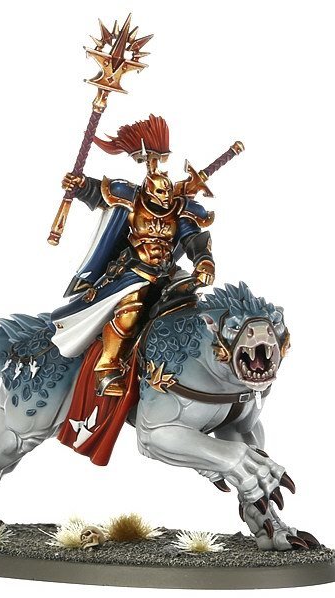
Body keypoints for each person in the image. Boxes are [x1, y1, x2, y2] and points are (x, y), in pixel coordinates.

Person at [50, 115, 215, 396]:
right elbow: (97, 193)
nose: (165, 197)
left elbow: (192, 237)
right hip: (134, 272)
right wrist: (79, 185)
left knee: (193, 306)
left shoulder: (179, 208)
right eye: (159, 192)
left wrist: (204, 261)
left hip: (167, 272)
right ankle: (107, 369)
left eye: (167, 192)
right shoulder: (130, 197)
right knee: (130, 311)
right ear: (149, 189)